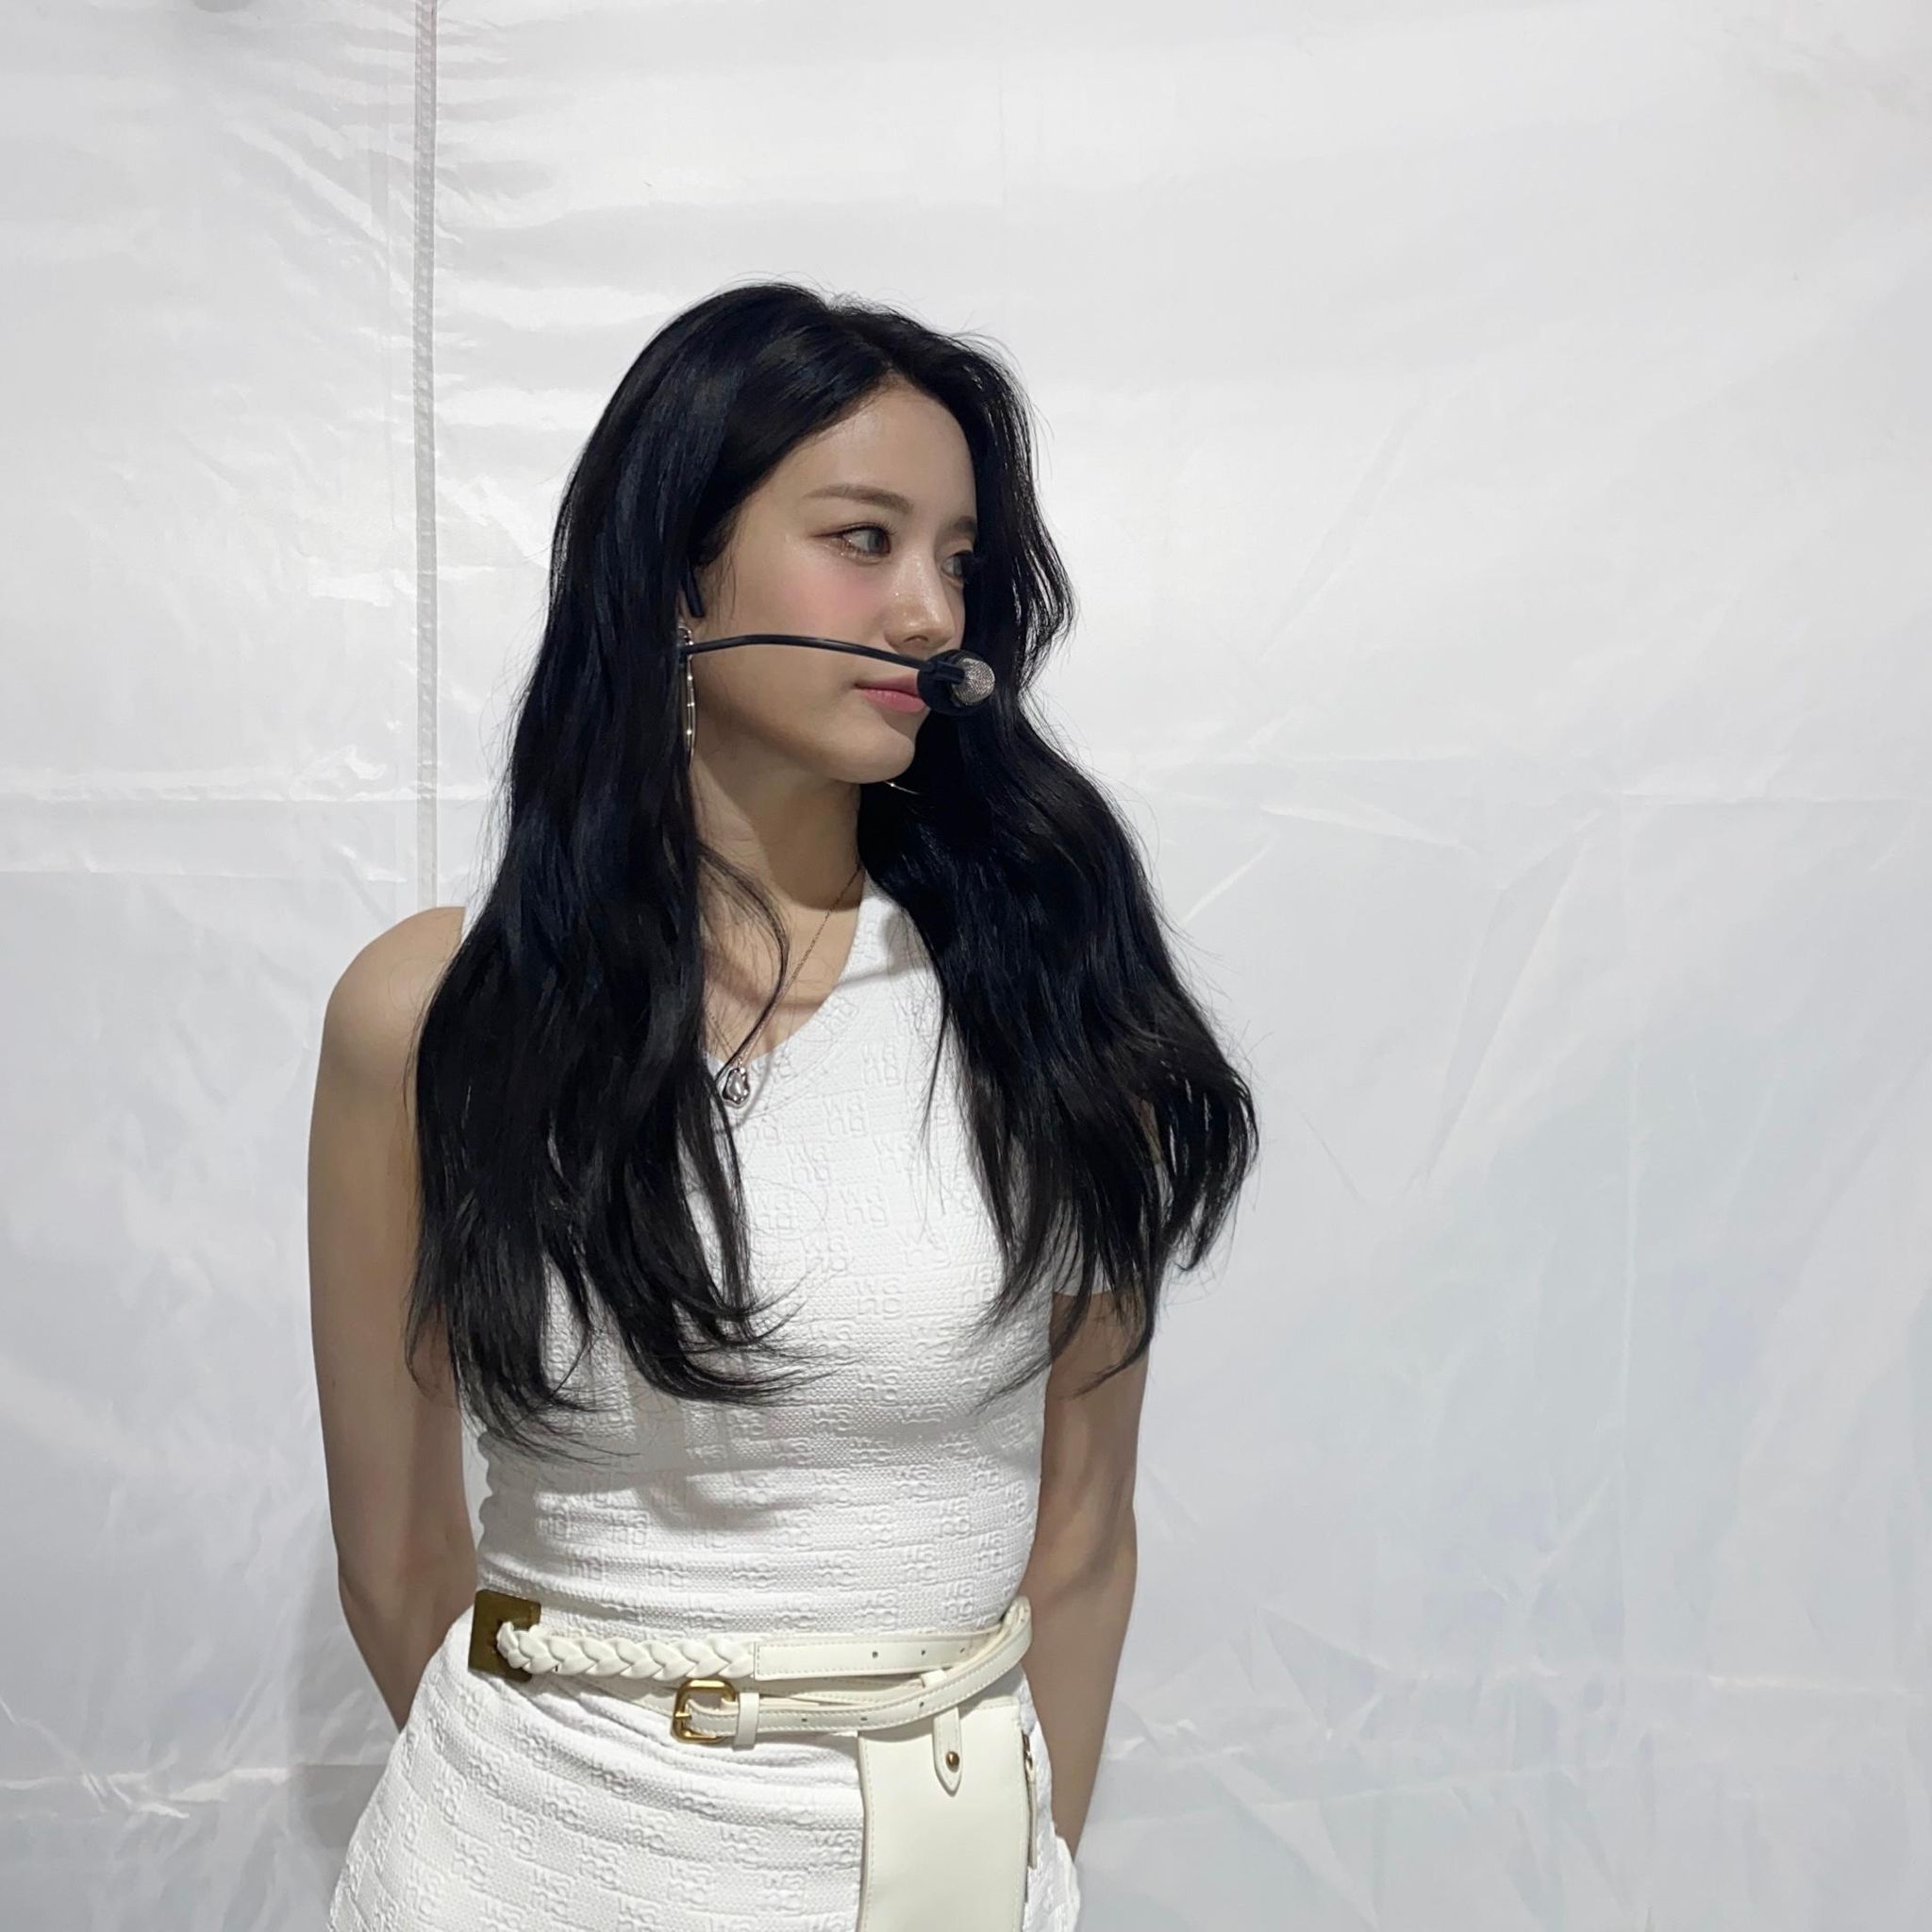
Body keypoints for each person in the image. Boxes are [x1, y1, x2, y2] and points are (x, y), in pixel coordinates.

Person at [309, 280, 1259, 1930]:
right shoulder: (431, 1016)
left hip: (928, 1883)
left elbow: (1084, 1538)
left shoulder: (1051, 1000)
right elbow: (397, 1561)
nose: (929, 613)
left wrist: (1011, 1871)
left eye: (958, 559)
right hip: (509, 1871)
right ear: (681, 573)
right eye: (863, 540)